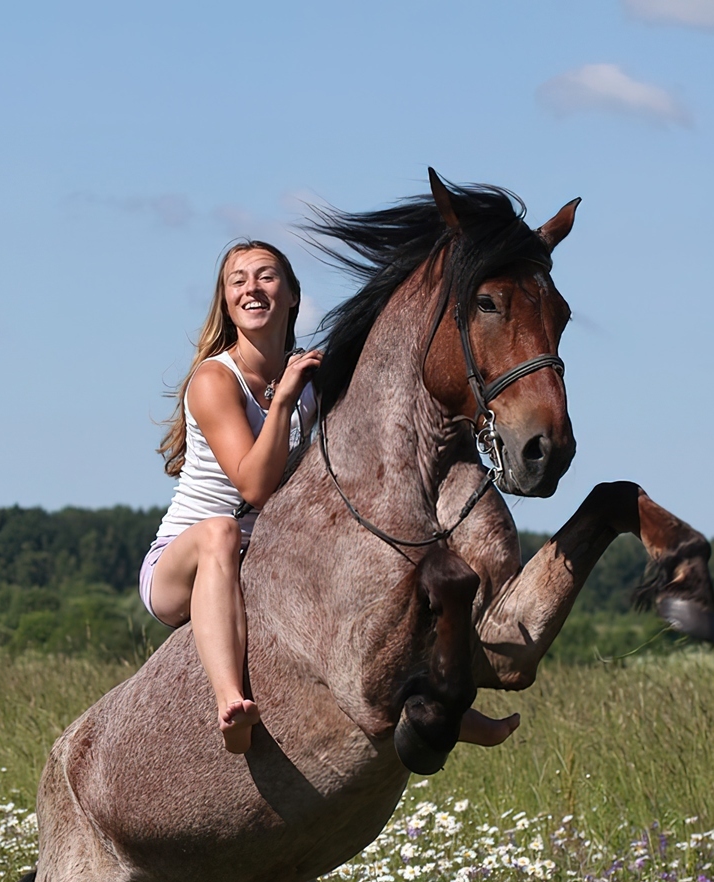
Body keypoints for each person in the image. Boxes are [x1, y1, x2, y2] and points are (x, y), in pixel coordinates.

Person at [139, 239, 520, 755]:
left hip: (265, 561)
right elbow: (254, 485)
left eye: (267, 276)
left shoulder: (308, 376)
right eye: (238, 280)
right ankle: (230, 702)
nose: (252, 287)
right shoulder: (215, 379)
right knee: (221, 533)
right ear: (226, 304)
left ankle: (442, 703)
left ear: (293, 295)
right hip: (183, 566)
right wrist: (285, 402)